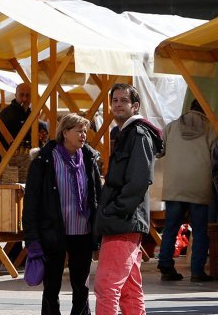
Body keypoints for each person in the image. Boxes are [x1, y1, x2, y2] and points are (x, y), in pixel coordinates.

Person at [93, 84, 163, 315]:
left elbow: (140, 179)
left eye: (124, 100)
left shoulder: (138, 134)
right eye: (115, 100)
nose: (118, 104)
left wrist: (115, 209)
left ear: (135, 106)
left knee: (106, 287)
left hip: (123, 221)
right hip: (126, 219)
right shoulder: (127, 133)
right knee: (129, 289)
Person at [24, 113, 102, 315]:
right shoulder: (44, 160)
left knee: (81, 285)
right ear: (65, 133)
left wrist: (99, 230)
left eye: (85, 131)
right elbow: (31, 202)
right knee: (51, 285)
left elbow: (96, 196)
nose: (83, 135)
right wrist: (32, 238)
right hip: (53, 231)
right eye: (79, 131)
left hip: (82, 231)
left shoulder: (88, 158)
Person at [157, 99, 218, 282]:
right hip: (199, 186)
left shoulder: (171, 127)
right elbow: (216, 158)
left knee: (171, 228)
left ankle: (166, 266)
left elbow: (159, 152)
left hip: (174, 186)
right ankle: (197, 271)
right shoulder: (210, 129)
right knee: (199, 230)